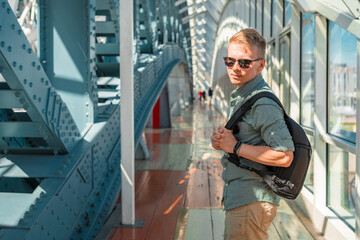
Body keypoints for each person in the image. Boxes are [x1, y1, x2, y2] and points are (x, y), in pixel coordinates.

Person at [210, 28, 295, 240]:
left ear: (261, 64)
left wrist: (234, 147)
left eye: (244, 62)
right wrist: (223, 142)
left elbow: (285, 155)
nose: (235, 68)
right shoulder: (244, 96)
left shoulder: (262, 103)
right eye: (230, 61)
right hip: (242, 197)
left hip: (252, 200)